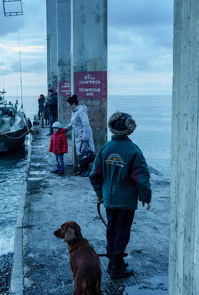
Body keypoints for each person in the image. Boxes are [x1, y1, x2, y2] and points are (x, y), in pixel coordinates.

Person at [89, 111, 152, 279]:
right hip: (126, 200)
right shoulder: (134, 150)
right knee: (122, 231)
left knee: (111, 229)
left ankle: (112, 262)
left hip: (109, 198)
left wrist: (100, 193)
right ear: (129, 129)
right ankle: (117, 267)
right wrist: (145, 197)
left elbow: (94, 174)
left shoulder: (105, 148)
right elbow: (141, 178)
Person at [64, 94, 95, 177]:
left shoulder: (81, 111)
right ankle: (81, 170)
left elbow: (86, 124)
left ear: (73, 104)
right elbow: (72, 123)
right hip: (78, 135)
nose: (69, 107)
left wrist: (85, 136)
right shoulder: (74, 112)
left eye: (69, 105)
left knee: (85, 153)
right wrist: (66, 129)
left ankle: (86, 171)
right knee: (80, 153)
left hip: (83, 135)